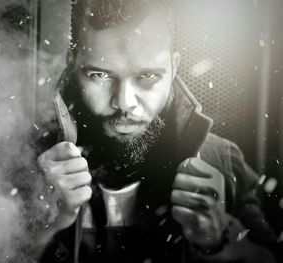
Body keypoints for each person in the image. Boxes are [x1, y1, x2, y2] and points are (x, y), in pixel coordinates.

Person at [31, 0, 279, 262]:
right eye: (100, 75)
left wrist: (221, 240)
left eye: (147, 76)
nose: (125, 102)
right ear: (73, 65)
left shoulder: (220, 160)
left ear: (174, 68)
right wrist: (44, 225)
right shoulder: (31, 160)